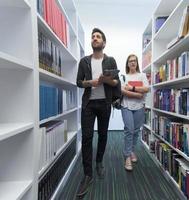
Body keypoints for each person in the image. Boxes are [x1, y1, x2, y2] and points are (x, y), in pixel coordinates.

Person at [76, 28, 119, 197]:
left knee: (102, 135)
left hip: (104, 103)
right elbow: (79, 82)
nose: (95, 38)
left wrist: (107, 80)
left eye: (98, 37)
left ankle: (99, 161)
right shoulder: (84, 61)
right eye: (93, 37)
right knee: (87, 137)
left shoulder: (111, 60)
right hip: (88, 104)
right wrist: (91, 83)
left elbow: (116, 82)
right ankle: (88, 174)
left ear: (104, 42)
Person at [120, 54, 149, 171]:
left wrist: (131, 88)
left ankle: (131, 150)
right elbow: (122, 92)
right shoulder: (123, 77)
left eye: (134, 61)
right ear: (127, 64)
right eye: (130, 61)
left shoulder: (142, 75)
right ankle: (127, 156)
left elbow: (146, 89)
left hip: (139, 107)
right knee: (129, 130)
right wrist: (138, 94)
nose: (132, 63)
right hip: (126, 106)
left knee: (136, 131)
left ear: (137, 63)